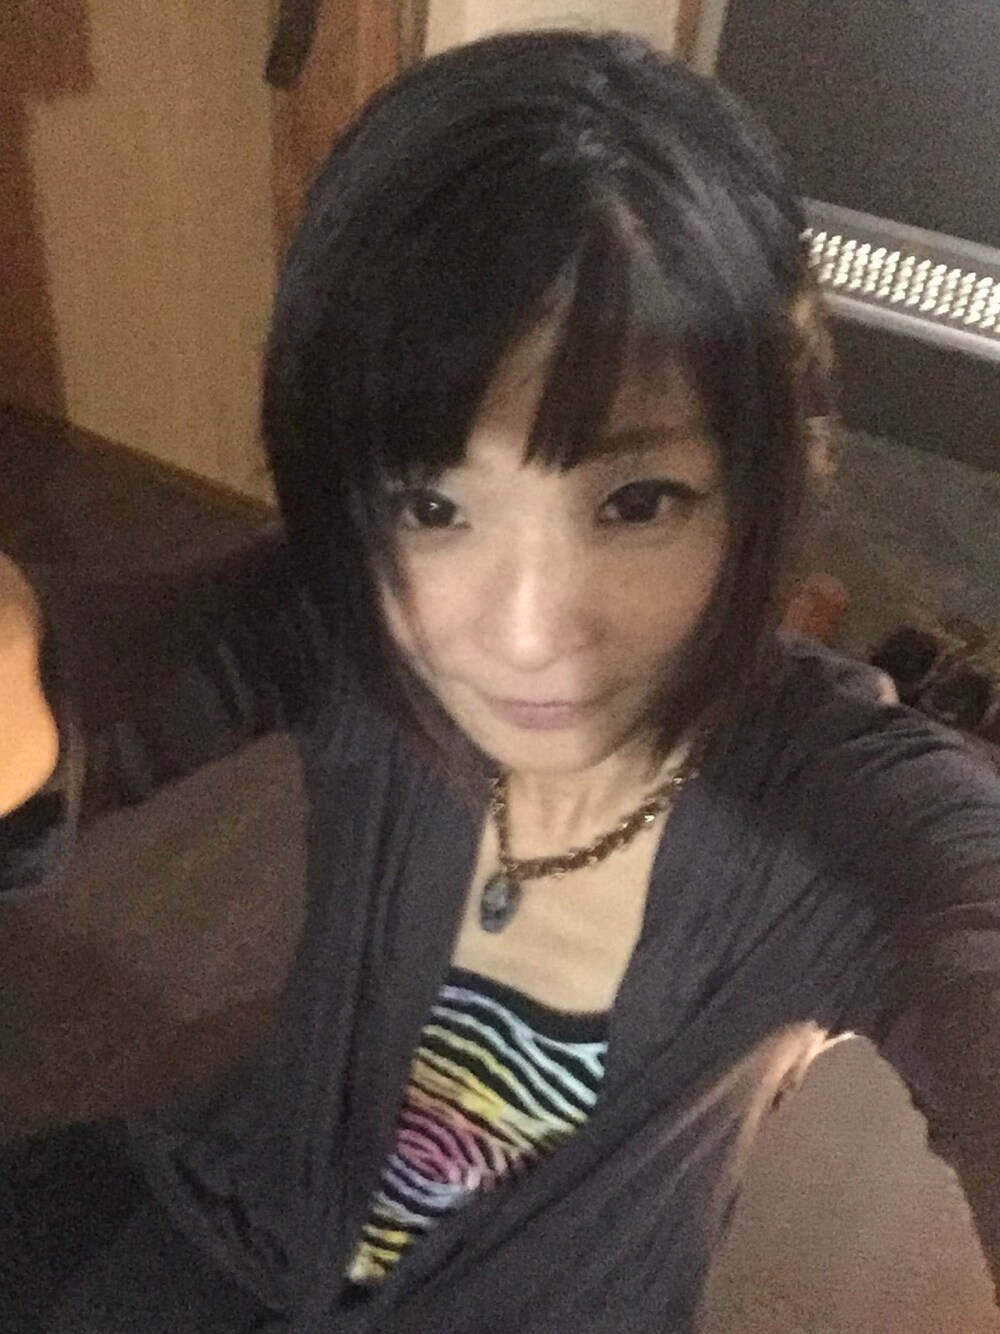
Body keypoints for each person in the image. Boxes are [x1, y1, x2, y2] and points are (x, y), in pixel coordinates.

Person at [2, 29, 999, 1334]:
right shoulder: (356, 612)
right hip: (231, 1222)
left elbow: (963, 911)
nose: (527, 635)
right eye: (432, 503)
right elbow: (66, 682)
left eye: (636, 501)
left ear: (766, 483)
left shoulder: (842, 803)